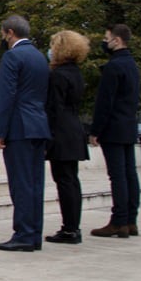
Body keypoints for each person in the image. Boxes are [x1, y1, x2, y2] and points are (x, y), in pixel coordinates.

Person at [0, 15, 51, 252]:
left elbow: (6, 95)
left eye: (3, 34)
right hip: (38, 125)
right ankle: (34, 233)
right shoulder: (39, 57)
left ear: (10, 32)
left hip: (19, 127)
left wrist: (0, 131)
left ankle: (23, 234)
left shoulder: (12, 56)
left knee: (21, 183)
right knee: (35, 183)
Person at [89, 23, 141, 238]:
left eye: (106, 38)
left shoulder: (113, 67)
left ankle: (119, 221)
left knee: (118, 175)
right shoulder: (132, 65)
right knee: (130, 173)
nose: (104, 42)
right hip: (128, 126)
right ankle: (130, 219)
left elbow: (105, 103)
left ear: (117, 40)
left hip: (113, 128)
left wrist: (95, 130)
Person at [44, 30, 90, 245]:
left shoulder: (58, 76)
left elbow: (53, 108)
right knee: (71, 180)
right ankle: (73, 226)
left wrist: (48, 138)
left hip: (61, 132)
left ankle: (69, 229)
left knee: (64, 181)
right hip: (73, 130)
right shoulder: (76, 73)